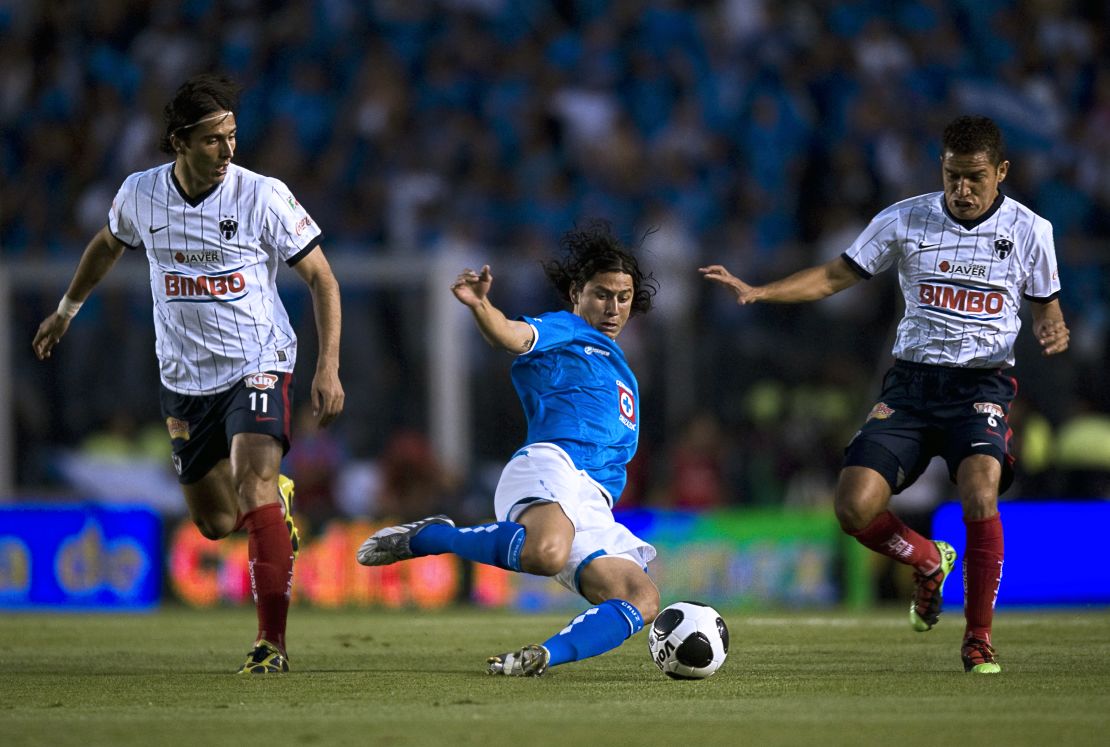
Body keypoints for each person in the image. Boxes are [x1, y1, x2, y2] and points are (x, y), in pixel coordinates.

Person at [701, 115, 1069, 674]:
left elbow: (1046, 302)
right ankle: (926, 561)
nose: (962, 190)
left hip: (981, 387)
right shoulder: (904, 219)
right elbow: (832, 277)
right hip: (911, 386)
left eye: (974, 178)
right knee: (852, 507)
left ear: (1002, 172)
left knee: (979, 494)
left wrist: (1052, 326)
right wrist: (760, 291)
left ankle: (978, 639)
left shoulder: (1030, 230)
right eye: (952, 177)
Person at [32, 73, 345, 674]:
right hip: (185, 379)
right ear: (178, 142)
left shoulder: (262, 195)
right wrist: (67, 310)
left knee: (254, 482)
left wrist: (327, 366)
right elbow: (106, 243)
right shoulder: (141, 195)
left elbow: (323, 279)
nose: (228, 151)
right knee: (216, 522)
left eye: (232, 135)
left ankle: (270, 645)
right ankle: (273, 508)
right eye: (212, 140)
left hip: (260, 360)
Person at [357, 222, 659, 676]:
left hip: (593, 502)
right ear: (577, 293)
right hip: (550, 466)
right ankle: (434, 536)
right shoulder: (568, 329)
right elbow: (512, 335)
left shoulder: (623, 370)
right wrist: (481, 306)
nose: (613, 307)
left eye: (623, 296)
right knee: (547, 553)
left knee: (644, 598)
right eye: (601, 294)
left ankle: (542, 657)